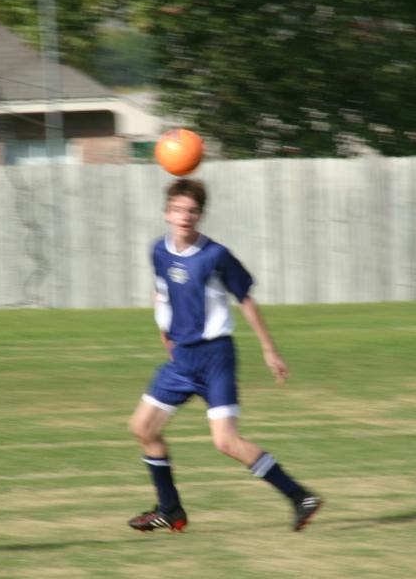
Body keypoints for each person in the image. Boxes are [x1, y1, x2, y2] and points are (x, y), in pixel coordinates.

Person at [127, 178, 321, 533]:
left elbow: (245, 299)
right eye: (178, 210)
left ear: (200, 215)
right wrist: (165, 332)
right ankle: (170, 510)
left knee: (226, 441)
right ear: (166, 213)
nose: (185, 216)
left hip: (215, 357)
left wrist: (269, 348)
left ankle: (299, 497)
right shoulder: (158, 250)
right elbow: (161, 293)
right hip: (181, 358)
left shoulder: (215, 255)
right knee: (142, 427)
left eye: (192, 210)